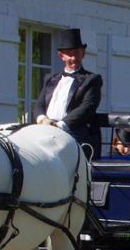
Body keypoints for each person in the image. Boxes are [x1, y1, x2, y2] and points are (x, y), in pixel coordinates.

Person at [34, 28, 103, 160]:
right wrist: (42, 119)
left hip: (73, 130)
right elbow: (39, 104)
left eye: (77, 53)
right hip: (46, 128)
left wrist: (59, 125)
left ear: (83, 54)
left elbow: (87, 107)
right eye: (69, 54)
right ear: (61, 56)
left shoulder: (92, 79)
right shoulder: (51, 79)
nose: (73, 58)